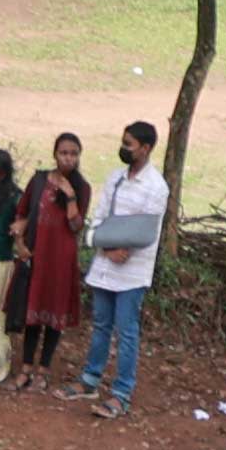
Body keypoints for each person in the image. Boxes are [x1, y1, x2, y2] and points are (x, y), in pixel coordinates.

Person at [74, 118, 165, 415]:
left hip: (133, 271)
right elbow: (101, 218)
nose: (124, 149)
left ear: (145, 148)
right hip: (106, 264)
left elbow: (145, 233)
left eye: (129, 144)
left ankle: (122, 393)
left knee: (126, 331)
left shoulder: (155, 187)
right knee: (101, 324)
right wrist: (107, 247)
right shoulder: (115, 178)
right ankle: (90, 379)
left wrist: (114, 243)